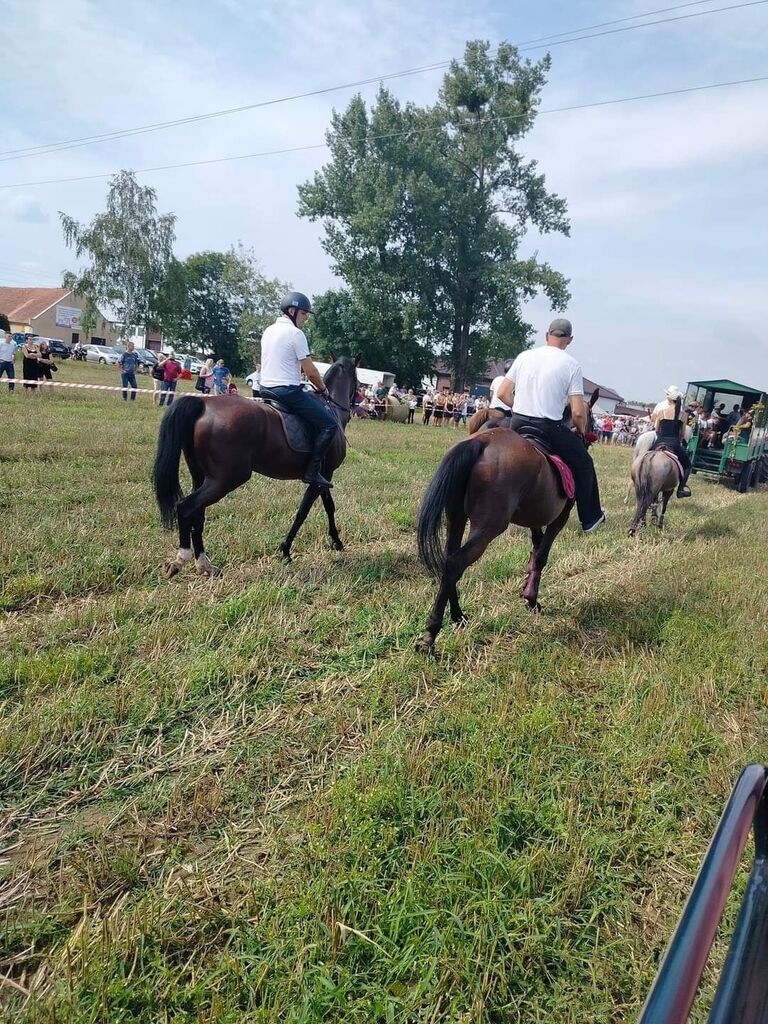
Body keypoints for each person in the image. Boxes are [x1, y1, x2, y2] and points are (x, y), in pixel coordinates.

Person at [495, 318, 606, 533]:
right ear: (570, 340)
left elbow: (502, 393)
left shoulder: (524, 356)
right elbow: (576, 411)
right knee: (584, 463)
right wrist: (583, 431)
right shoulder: (572, 365)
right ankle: (590, 518)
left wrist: (519, 408)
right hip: (548, 428)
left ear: (547, 335)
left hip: (516, 423)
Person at [258, 291, 338, 488]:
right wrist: (323, 388)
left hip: (265, 388)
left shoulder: (269, 330)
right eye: (304, 314)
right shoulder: (295, 334)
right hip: (286, 391)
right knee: (330, 424)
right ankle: (312, 472)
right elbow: (310, 371)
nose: (306, 318)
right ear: (292, 311)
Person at [650, 385, 691, 497]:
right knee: (687, 465)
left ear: (669, 398)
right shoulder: (683, 415)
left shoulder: (661, 412)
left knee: (645, 456)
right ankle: (681, 489)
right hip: (674, 444)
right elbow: (682, 434)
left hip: (659, 442)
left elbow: (657, 429)